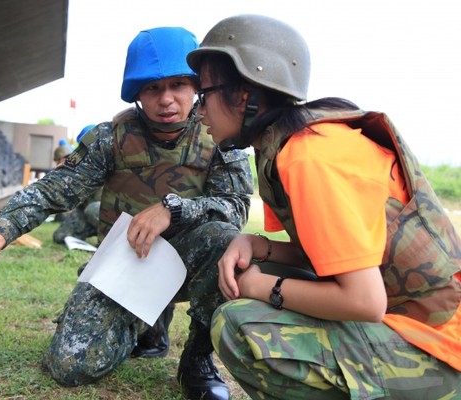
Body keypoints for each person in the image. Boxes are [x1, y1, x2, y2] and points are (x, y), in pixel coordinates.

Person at [0, 26, 254, 400]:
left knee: (226, 241)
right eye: (153, 88)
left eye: (178, 85)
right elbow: (54, 189)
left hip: (190, 261)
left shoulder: (219, 134)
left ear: (196, 86)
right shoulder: (111, 138)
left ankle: (197, 357)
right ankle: (146, 321)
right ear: (136, 92)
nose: (166, 99)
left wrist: (172, 210)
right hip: (127, 264)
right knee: (70, 366)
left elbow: (234, 208)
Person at [185, 14, 461, 400]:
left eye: (205, 95)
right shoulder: (294, 144)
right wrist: (256, 246)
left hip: (437, 349)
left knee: (238, 326)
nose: (198, 111)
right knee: (240, 263)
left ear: (244, 94)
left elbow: (364, 300)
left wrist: (264, 286)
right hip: (411, 324)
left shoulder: (309, 157)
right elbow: (338, 255)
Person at [52, 124, 101, 244]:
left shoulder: (112, 159)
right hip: (86, 211)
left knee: (92, 209)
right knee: (60, 236)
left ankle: (109, 240)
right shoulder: (80, 165)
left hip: (107, 211)